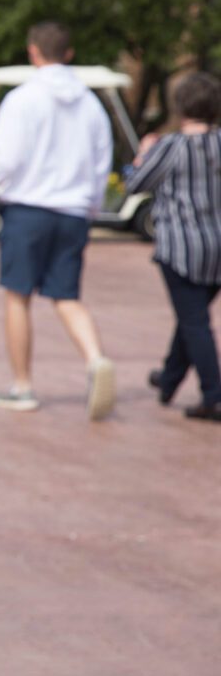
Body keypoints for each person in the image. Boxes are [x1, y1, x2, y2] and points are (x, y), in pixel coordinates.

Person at [0, 21, 116, 418]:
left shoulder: (23, 98)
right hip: (73, 211)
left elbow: (8, 156)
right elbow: (102, 160)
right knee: (67, 296)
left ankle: (22, 385)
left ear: (33, 52)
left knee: (18, 295)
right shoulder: (91, 104)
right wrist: (92, 206)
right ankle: (95, 358)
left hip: (28, 208)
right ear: (68, 53)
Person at [129, 71, 221, 422]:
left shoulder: (171, 147)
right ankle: (168, 379)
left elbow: (137, 184)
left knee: (195, 321)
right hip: (218, 246)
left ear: (180, 106)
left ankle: (214, 394)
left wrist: (142, 154)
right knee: (191, 317)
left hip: (181, 246)